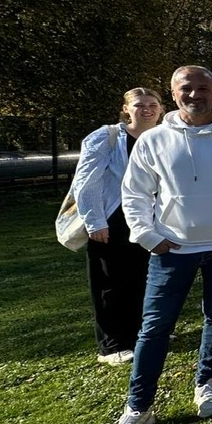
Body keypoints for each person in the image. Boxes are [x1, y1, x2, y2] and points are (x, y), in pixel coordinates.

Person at [102, 66, 212, 424]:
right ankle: (138, 409)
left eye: (203, 88)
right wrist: (148, 236)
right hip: (173, 249)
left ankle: (206, 383)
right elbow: (135, 193)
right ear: (174, 94)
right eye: (187, 89)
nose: (196, 95)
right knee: (155, 328)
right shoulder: (154, 141)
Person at [71, 87, 164, 365]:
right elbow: (86, 181)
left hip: (149, 217)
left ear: (161, 108)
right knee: (110, 282)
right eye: (139, 105)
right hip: (112, 218)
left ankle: (138, 334)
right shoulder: (107, 138)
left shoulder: (162, 137)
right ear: (126, 109)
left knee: (142, 278)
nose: (146, 109)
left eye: (152, 104)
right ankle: (112, 345)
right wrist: (95, 220)